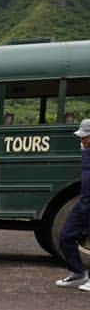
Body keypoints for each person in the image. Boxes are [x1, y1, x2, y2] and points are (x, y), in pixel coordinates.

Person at [54, 118, 90, 290]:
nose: (82, 140)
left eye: (85, 136)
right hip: (84, 202)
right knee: (66, 236)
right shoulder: (86, 149)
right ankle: (79, 273)